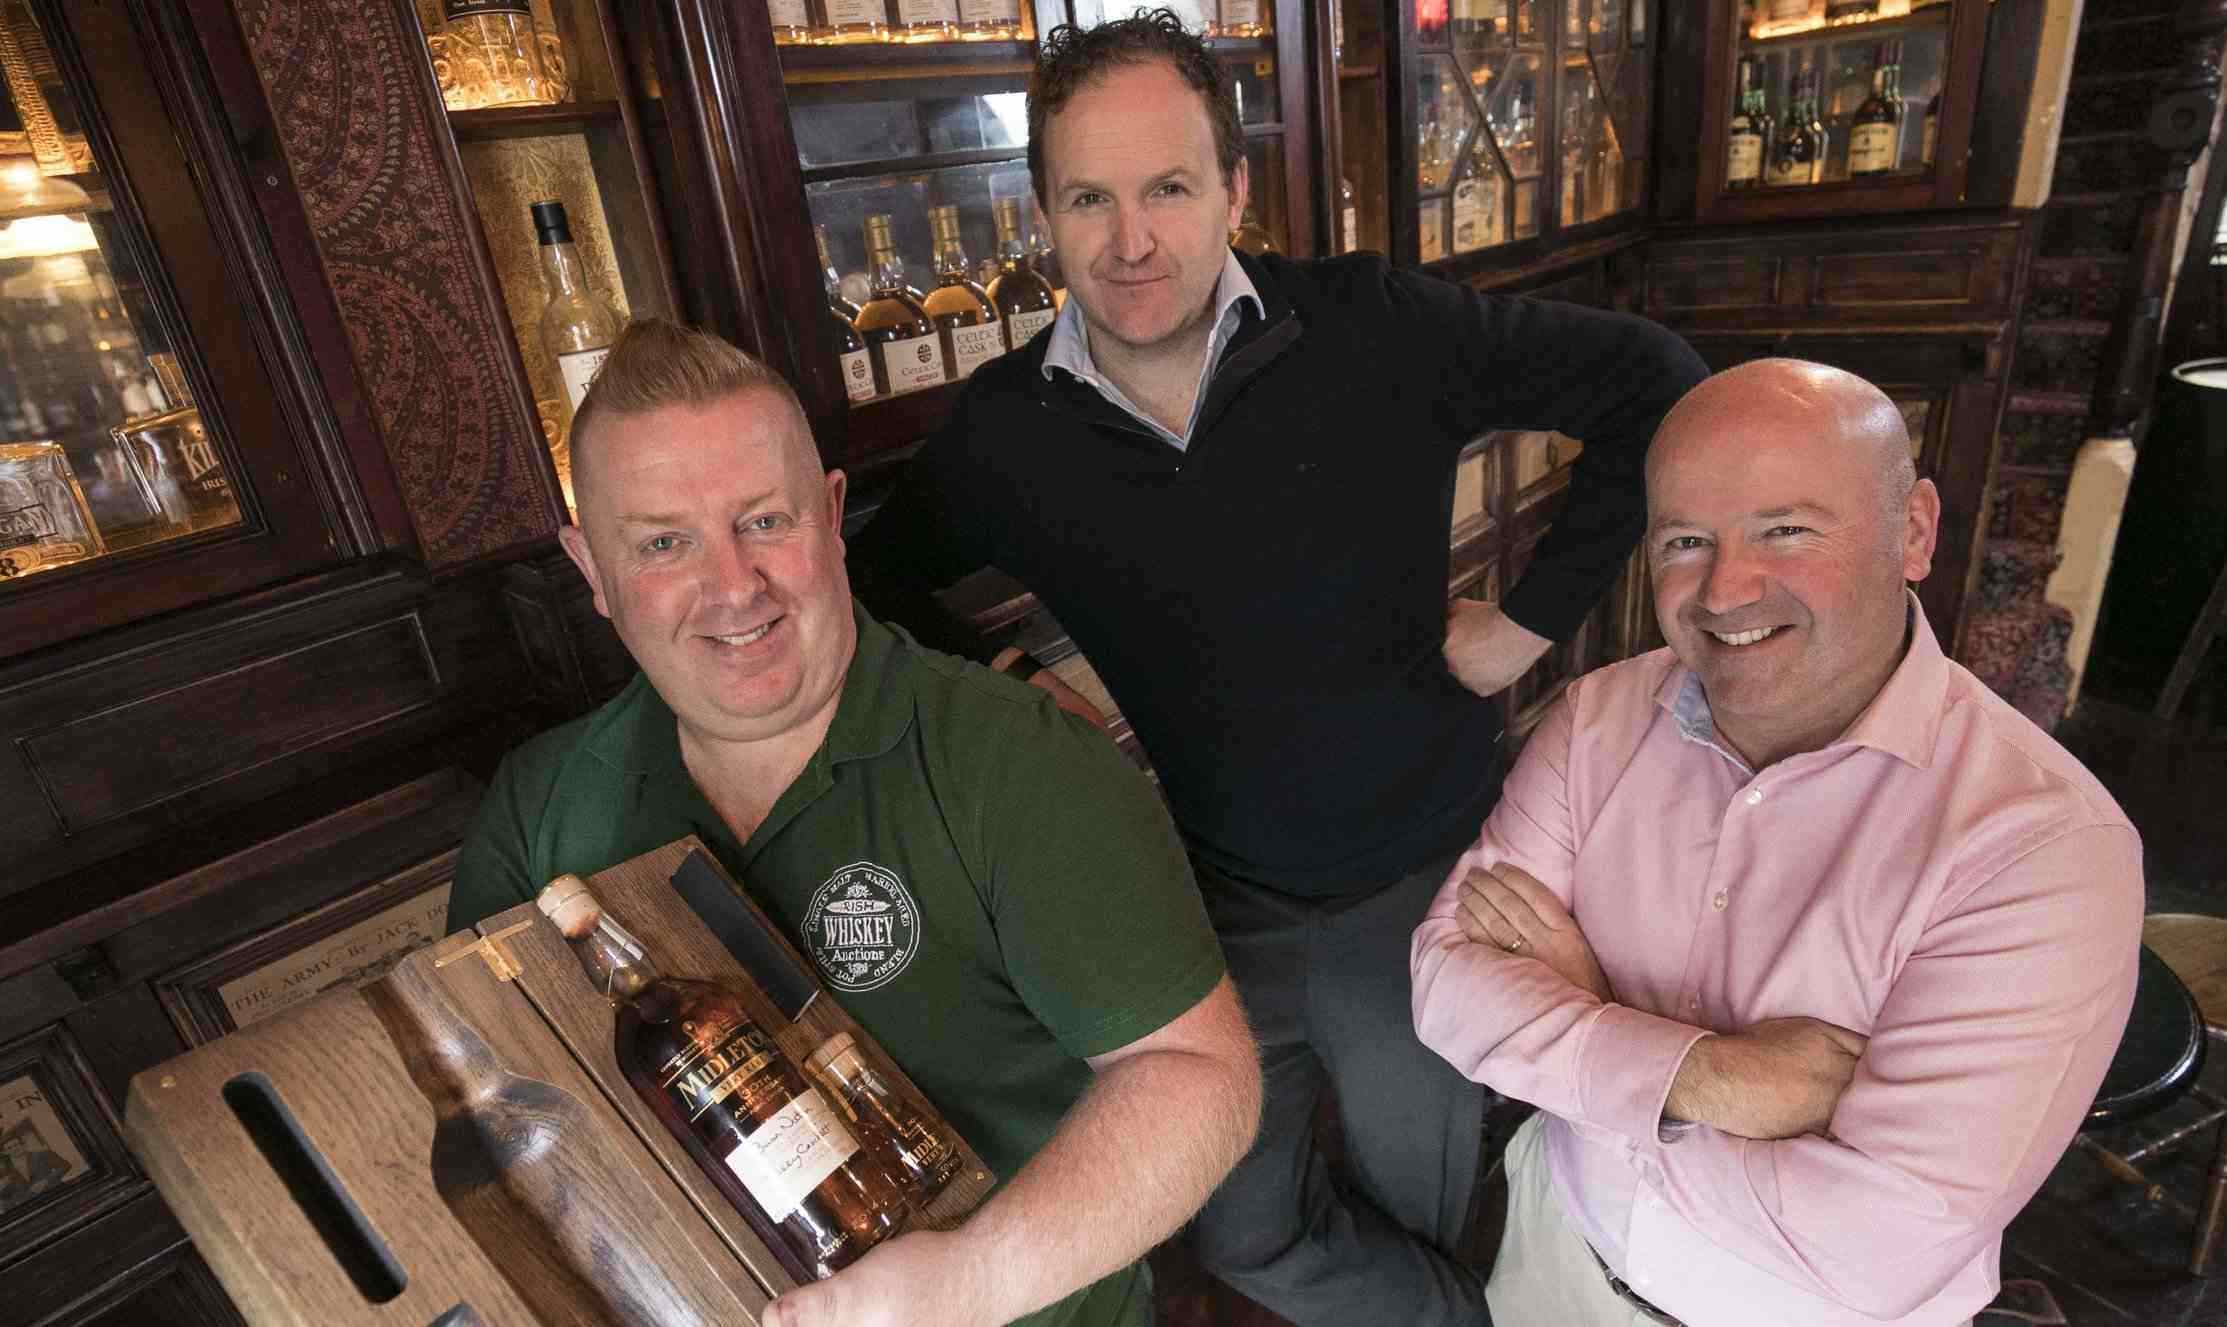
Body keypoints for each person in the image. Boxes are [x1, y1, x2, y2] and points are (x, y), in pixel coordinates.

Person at [845, 11, 1706, 1323]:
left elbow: (1650, 382)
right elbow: (874, 580)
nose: (1129, 239)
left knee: (1434, 1194)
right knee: (1231, 1224)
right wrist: (1008, 670)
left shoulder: (1370, 326)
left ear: (1234, 190)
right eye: (1088, 197)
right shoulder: (1006, 435)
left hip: (1415, 881)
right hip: (1207, 902)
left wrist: (1528, 619)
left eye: (1168, 188)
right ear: (1041, 209)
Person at [447, 319, 1260, 1327]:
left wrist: (973, 1281)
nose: (733, 585)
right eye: (663, 542)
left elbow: (1198, 1077)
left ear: (831, 515)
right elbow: (484, 1120)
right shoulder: (541, 805)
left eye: (764, 521)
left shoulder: (1013, 759)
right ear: (591, 571)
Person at [1411, 358, 2143, 1326]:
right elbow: (1445, 985)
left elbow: (1873, 1248)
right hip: (1553, 1259)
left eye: (1784, 529)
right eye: (1683, 540)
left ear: (1912, 531)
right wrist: (1714, 1077)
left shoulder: (2043, 848)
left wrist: (1584, 1015)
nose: (1724, 588)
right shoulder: (1596, 718)